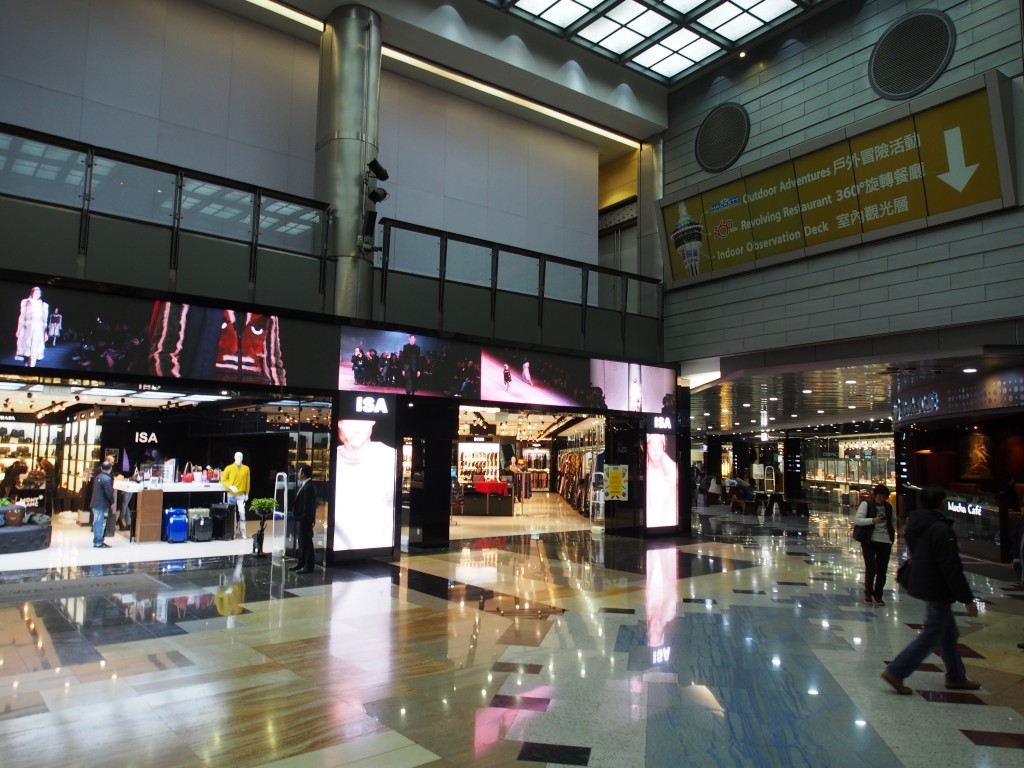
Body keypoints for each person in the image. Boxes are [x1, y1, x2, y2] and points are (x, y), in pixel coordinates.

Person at [881, 485, 981, 695]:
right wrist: (968, 599)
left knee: (947, 632)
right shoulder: (940, 528)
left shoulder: (917, 523)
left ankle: (956, 676)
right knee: (932, 633)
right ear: (939, 502)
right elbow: (950, 565)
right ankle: (897, 671)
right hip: (937, 586)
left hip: (925, 581)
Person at [334, 419, 396, 551]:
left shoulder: (391, 458)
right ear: (339, 423)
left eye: (362, 421)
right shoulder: (331, 460)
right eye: (350, 422)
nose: (356, 429)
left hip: (380, 549)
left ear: (372, 422)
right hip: (339, 549)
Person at [854, 484, 895, 605]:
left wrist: (892, 535)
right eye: (880, 496)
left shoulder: (889, 507)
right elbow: (858, 520)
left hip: (885, 541)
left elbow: (893, 522)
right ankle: (868, 594)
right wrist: (873, 520)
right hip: (869, 541)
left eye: (884, 497)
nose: (882, 499)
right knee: (871, 568)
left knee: (882, 570)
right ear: (875, 495)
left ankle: (878, 595)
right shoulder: (866, 504)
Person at [645, 433, 678, 527]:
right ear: (646, 447)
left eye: (659, 443)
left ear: (663, 447)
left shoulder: (672, 473)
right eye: (651, 443)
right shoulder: (645, 474)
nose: (656, 448)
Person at [290, 464, 317, 573]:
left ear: (303, 474)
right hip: (302, 519)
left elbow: (308, 506)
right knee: (301, 541)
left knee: (306, 541)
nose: (298, 474)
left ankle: (308, 565)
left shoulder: (309, 487)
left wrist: (303, 518)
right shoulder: (306, 485)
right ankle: (301, 562)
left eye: (299, 472)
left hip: (305, 520)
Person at [15, 286, 49, 367]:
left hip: (39, 329)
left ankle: (32, 367)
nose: (38, 294)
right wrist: (18, 330)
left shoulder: (43, 305)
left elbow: (44, 320)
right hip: (28, 328)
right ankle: (26, 364)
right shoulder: (26, 302)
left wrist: (45, 333)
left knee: (35, 348)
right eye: (36, 292)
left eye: (39, 293)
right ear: (32, 292)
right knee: (27, 348)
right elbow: (22, 316)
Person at [220, 452, 251, 537]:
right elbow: (223, 480)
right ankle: (232, 532)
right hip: (231, 494)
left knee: (242, 513)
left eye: (241, 457)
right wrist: (230, 486)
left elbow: (248, 481)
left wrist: (247, 493)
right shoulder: (229, 468)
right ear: (234, 457)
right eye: (237, 457)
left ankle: (243, 531)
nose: (239, 459)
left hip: (241, 494)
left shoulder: (246, 469)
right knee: (232, 514)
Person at [91, 459, 114, 548]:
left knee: (96, 522)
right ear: (110, 468)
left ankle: (96, 540)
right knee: (100, 523)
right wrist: (112, 501)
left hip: (95, 503)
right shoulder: (107, 479)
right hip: (102, 504)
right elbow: (109, 493)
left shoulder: (98, 477)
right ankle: (99, 541)